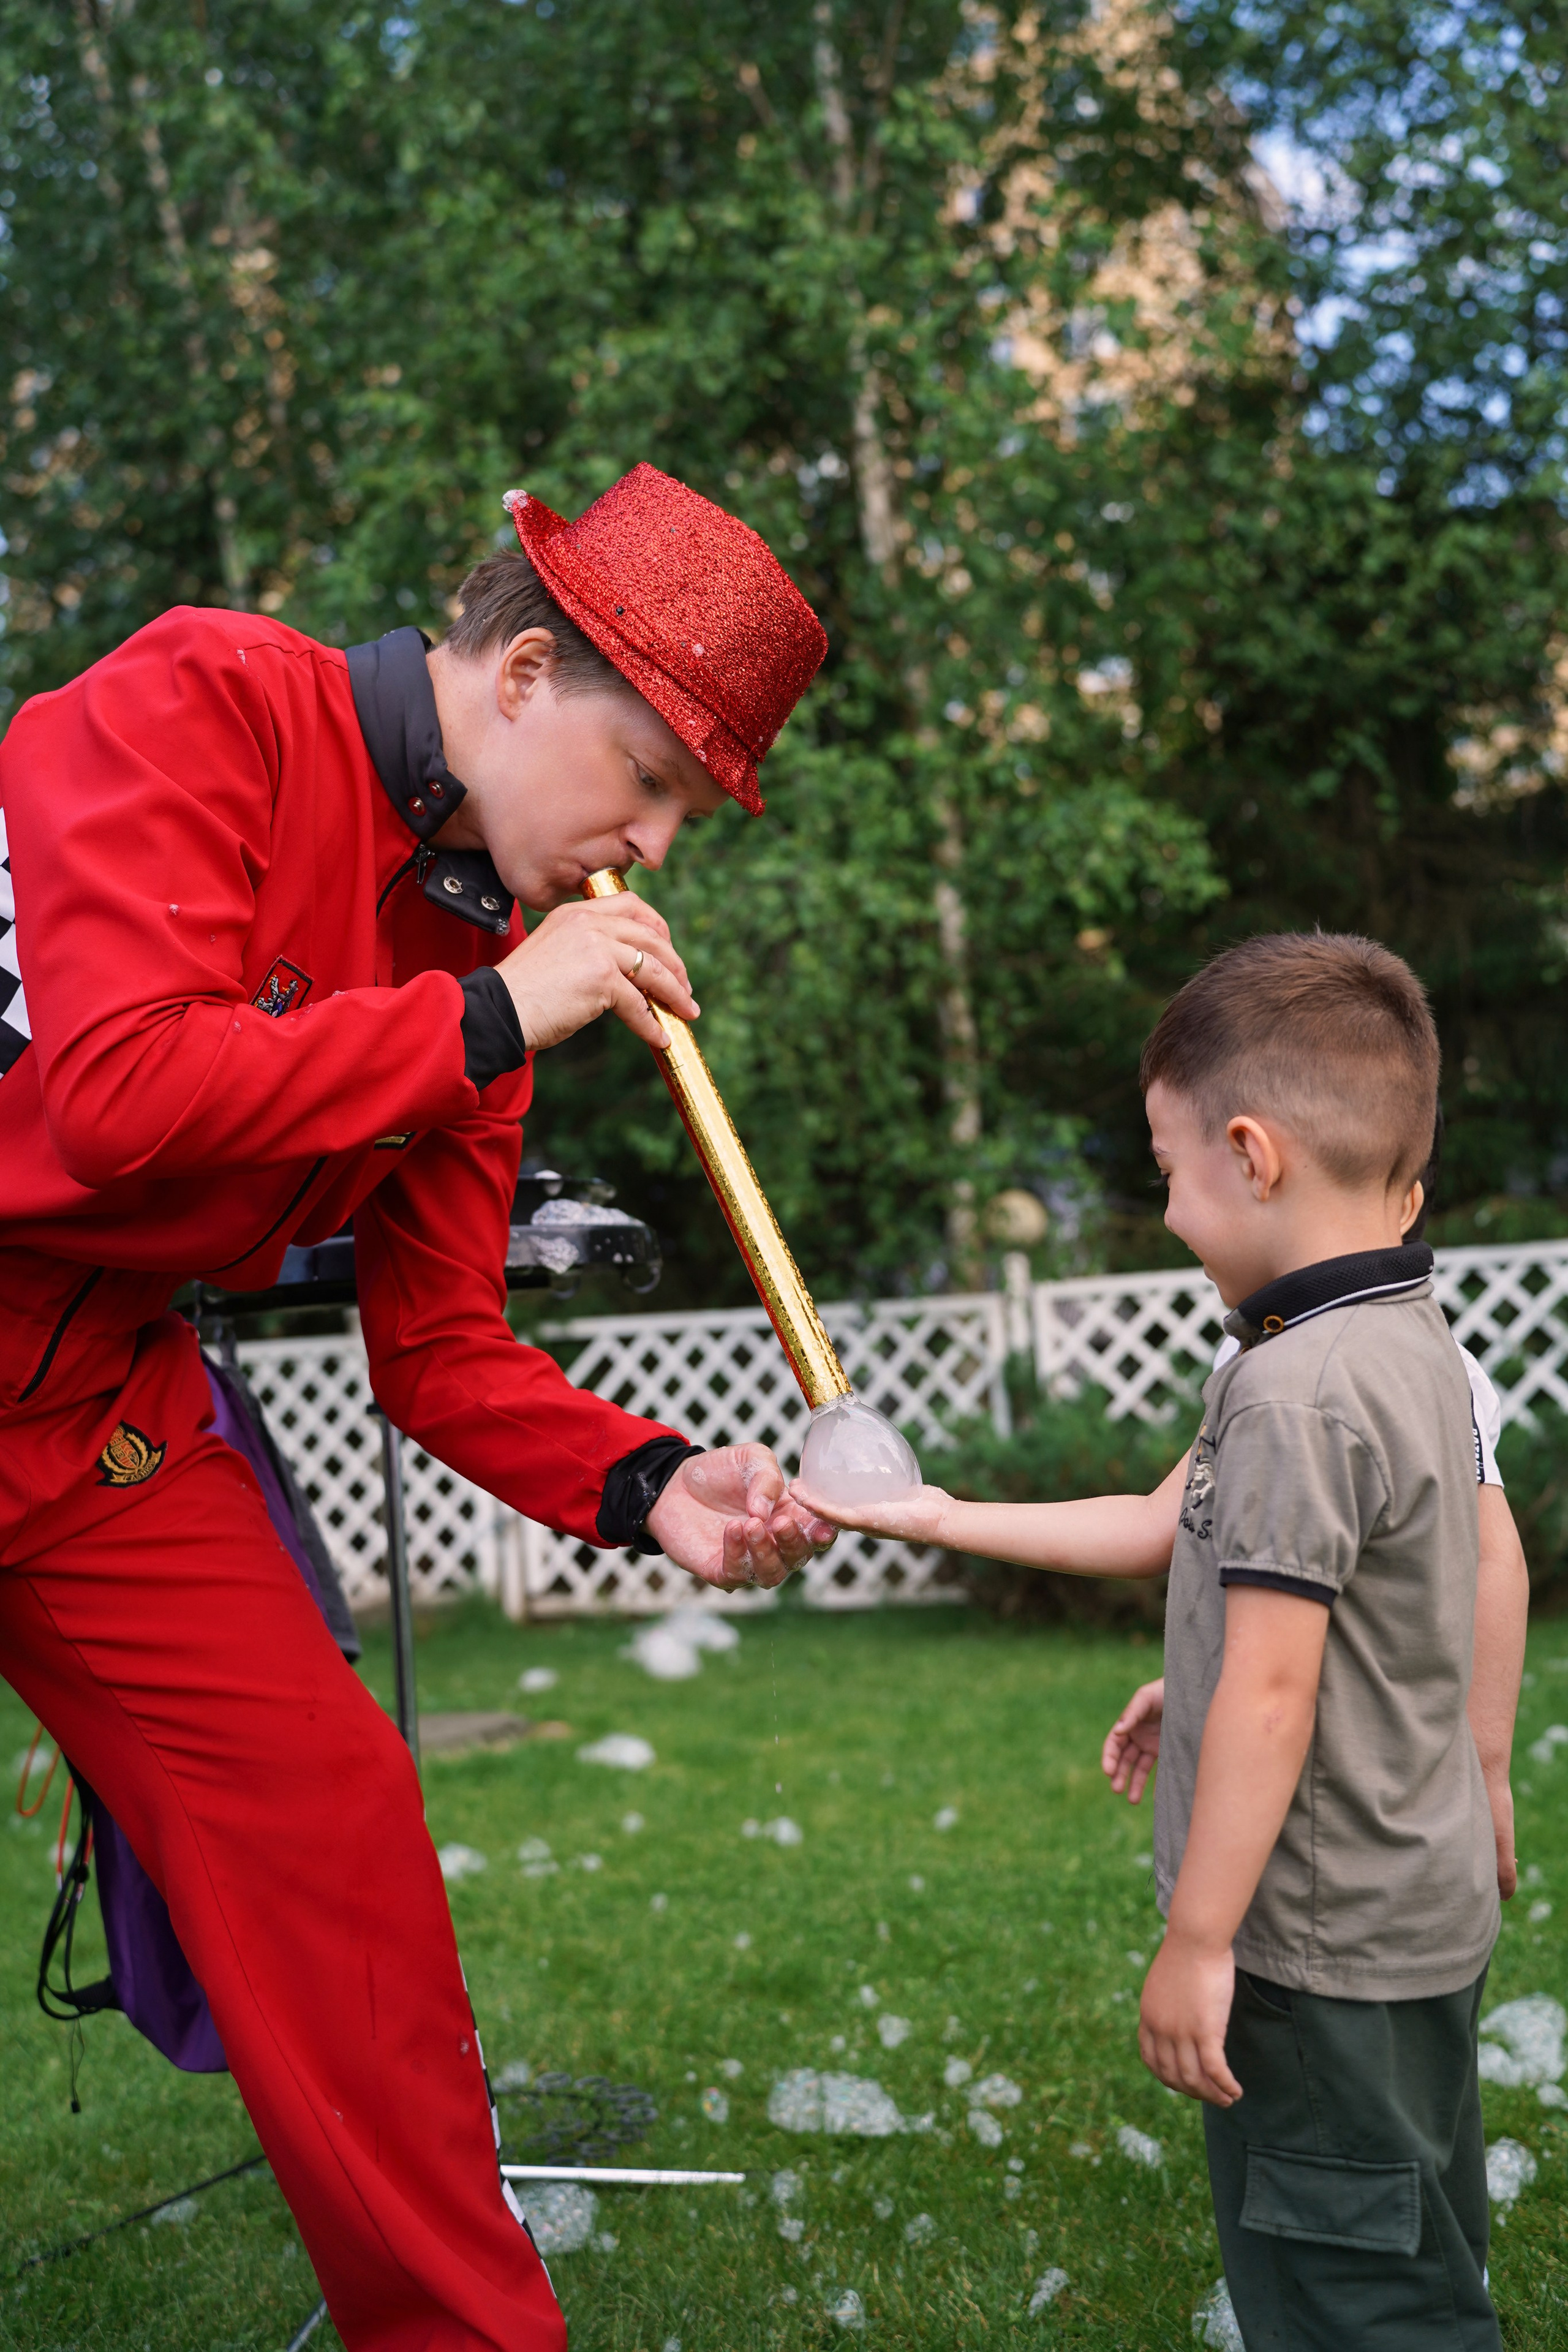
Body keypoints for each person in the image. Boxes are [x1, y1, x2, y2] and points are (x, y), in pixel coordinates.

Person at [0, 463, 835, 2352]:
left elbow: (439, 1349)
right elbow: (116, 1092)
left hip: (92, 1412)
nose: (655, 847)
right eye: (653, 786)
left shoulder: (483, 959)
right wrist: (495, 1020)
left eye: (687, 816)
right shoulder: (207, 693)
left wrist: (654, 1485)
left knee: (335, 1820)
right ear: (525, 673)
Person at [797, 932, 1513, 2351]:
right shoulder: (1404, 1343)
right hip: (1414, 1924)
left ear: (1251, 1156)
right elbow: (1191, 1535)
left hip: (1306, 1952)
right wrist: (935, 1516)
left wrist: (1198, 1939)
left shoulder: (1289, 1392)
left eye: (1166, 1170)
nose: (1168, 1212)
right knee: (1413, 2233)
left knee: (1351, 2299)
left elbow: (1270, 1682)